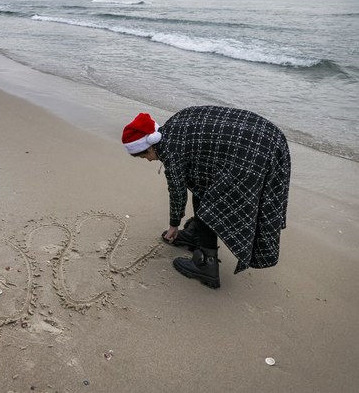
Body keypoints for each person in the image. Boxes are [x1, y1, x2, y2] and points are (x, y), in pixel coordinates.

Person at [122, 106, 291, 289]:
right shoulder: (176, 123)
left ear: (149, 147)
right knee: (204, 187)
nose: (148, 160)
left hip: (252, 151)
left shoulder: (170, 150)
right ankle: (196, 234)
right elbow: (200, 171)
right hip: (270, 136)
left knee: (211, 206)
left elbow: (177, 191)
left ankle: (206, 265)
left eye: (144, 157)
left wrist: (174, 226)